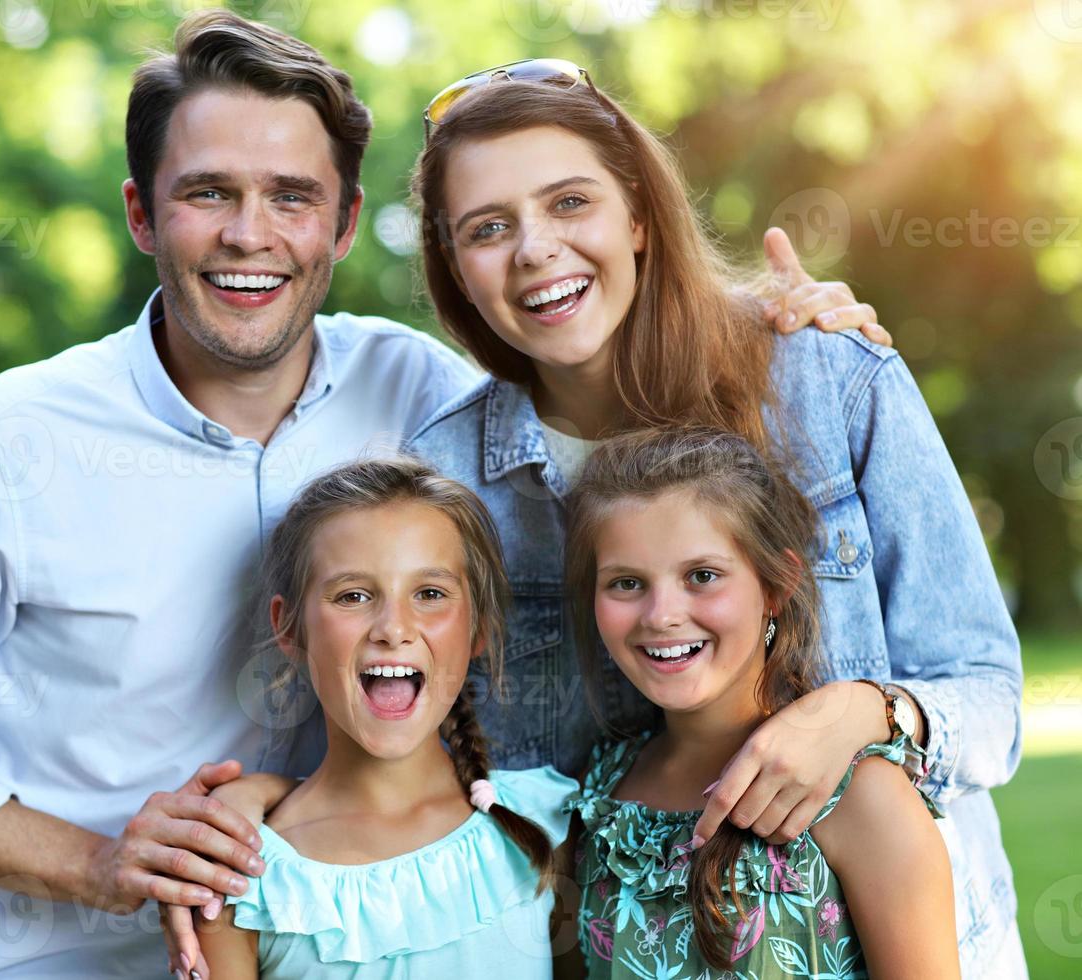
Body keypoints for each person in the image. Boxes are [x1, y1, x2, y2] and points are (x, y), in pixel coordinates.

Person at [0, 15, 884, 977]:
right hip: (75, 956)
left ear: (346, 223)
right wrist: (99, 860)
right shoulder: (2, 444)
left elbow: (587, 377)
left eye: (292, 197)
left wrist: (763, 311)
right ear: (140, 212)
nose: (249, 234)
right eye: (207, 193)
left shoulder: (422, 391)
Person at [406, 62, 1024, 977]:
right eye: (488, 229)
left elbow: (993, 701)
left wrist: (863, 712)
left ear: (640, 217)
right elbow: (431, 764)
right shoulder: (451, 483)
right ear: (457, 268)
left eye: (570, 202)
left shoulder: (826, 377)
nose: (534, 248)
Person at [561, 425, 958, 978]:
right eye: (626, 583)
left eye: (702, 576)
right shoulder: (600, 792)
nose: (661, 615)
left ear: (775, 587)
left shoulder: (862, 797)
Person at [196, 455, 579, 978]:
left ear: (478, 628)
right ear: (289, 628)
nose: (392, 627)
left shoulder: (545, 825)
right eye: (352, 596)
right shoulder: (240, 874)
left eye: (429, 594)